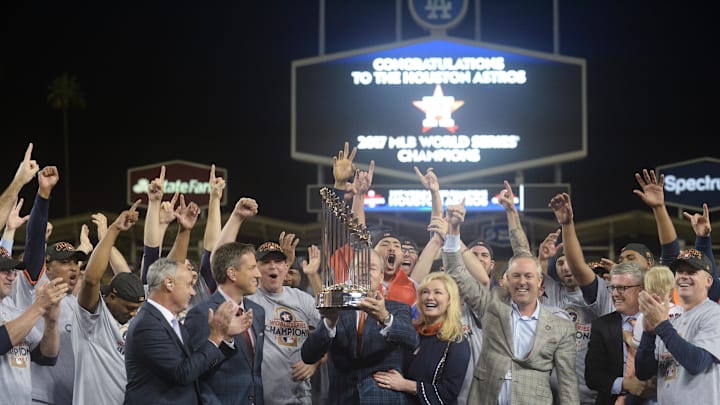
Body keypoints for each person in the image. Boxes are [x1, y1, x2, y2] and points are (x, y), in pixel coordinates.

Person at [443, 199, 579, 404]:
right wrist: (453, 229)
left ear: (539, 280)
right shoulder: (492, 305)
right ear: (506, 280)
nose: (522, 282)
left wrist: (512, 214)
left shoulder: (561, 326)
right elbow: (457, 272)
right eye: (516, 276)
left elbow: (567, 382)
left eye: (528, 276)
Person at [301, 248, 419, 404]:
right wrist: (329, 321)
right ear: (350, 275)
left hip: (383, 399)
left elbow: (412, 341)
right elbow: (309, 355)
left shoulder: (398, 309)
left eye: (371, 268)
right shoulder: (336, 310)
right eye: (360, 267)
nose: (365, 272)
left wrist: (385, 317)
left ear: (381, 276)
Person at [124, 255, 243, 404]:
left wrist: (223, 339)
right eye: (188, 285)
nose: (193, 292)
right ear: (169, 283)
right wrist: (215, 337)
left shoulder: (170, 321)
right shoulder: (147, 325)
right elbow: (182, 373)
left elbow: (195, 364)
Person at [72, 202, 146, 405]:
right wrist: (114, 230)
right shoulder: (92, 319)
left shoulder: (131, 314)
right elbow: (90, 280)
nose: (134, 314)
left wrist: (106, 235)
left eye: (136, 309)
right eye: (129, 309)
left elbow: (125, 277)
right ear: (111, 298)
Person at [548, 192, 618, 404]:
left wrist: (567, 225)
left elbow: (579, 269)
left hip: (593, 396)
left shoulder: (600, 290)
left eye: (569, 261)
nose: (566, 267)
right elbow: (525, 275)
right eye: (560, 263)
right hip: (555, 396)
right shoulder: (552, 291)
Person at [183, 241, 265, 405]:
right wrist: (224, 338)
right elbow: (195, 372)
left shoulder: (257, 312)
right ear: (232, 274)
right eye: (252, 268)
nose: (259, 274)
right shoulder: (201, 314)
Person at [636, 248, 720, 404]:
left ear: (708, 281)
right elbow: (643, 372)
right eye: (680, 272)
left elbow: (697, 363)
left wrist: (661, 324)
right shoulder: (672, 320)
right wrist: (648, 334)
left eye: (691, 272)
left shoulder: (714, 314)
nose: (684, 277)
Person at [374, 272, 470, 404]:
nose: (430, 297)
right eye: (425, 292)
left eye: (437, 292)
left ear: (449, 300)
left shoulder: (457, 342)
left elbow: (448, 392)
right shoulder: (410, 333)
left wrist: (405, 385)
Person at [246, 239, 323, 405]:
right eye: (266, 262)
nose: (273, 266)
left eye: (278, 261)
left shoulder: (303, 299)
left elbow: (329, 332)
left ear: (286, 267)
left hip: (301, 396)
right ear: (257, 269)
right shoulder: (248, 301)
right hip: (261, 398)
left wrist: (314, 362)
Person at [0, 247, 68, 404]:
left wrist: (51, 322)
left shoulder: (15, 313)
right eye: (4, 270)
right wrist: (38, 307)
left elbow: (46, 357)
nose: (11, 277)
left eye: (12, 270)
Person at [584, 262, 657, 405]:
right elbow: (592, 376)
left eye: (622, 288)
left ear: (642, 289)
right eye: (613, 287)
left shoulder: (659, 321)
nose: (615, 293)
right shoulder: (602, 325)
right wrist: (625, 384)